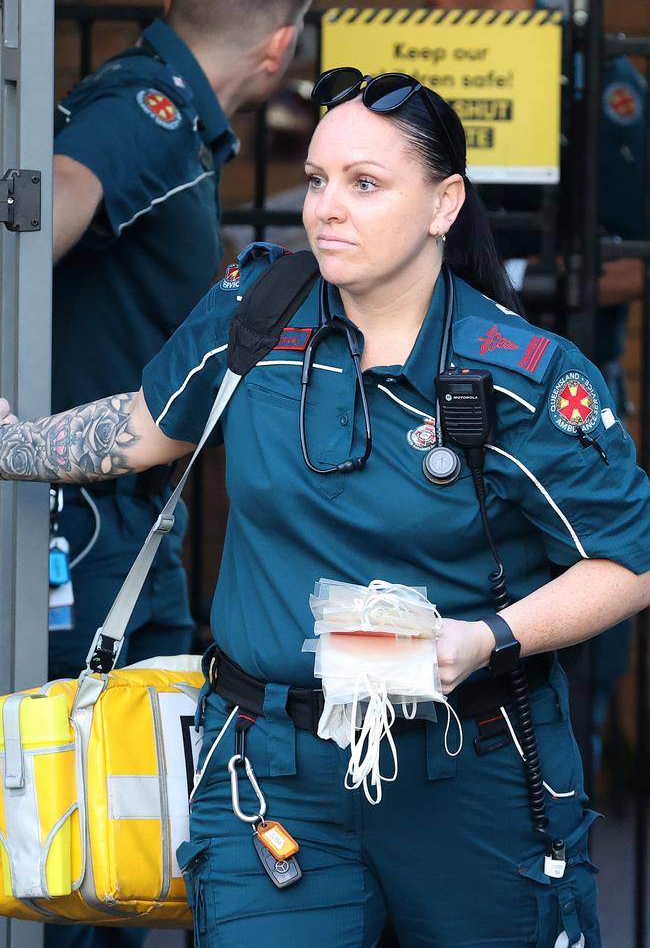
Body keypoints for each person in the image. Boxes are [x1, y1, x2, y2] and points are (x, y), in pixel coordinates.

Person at [1, 68, 649, 947]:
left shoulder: (522, 374)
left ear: (443, 203)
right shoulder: (258, 311)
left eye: (365, 183)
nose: (326, 208)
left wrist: (486, 638)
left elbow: (626, 561)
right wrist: (14, 447)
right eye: (316, 180)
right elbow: (147, 427)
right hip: (270, 769)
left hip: (467, 772)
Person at [47, 0, 326, 946]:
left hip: (131, 510)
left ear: (170, 4)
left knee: (144, 789)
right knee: (83, 794)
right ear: (280, 48)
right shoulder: (148, 114)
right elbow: (54, 199)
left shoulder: (167, 115)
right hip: (82, 512)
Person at [412, 0, 646, 780]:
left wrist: (523, 289)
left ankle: (551, 837)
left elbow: (637, 252)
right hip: (419, 396)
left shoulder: (590, 77)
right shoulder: (412, 74)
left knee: (573, 637)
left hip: (557, 395)